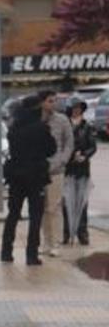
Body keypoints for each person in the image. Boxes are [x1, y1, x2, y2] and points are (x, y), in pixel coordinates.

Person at [1, 94, 58, 265]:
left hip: (16, 176)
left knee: (13, 214)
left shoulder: (14, 128)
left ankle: (6, 251)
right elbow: (51, 149)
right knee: (35, 216)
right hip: (35, 176)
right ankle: (31, 254)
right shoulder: (40, 128)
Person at [39, 90, 74, 256]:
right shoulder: (37, 120)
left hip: (56, 170)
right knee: (42, 209)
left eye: (55, 101)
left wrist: (63, 160)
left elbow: (69, 143)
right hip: (38, 171)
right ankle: (46, 242)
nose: (53, 104)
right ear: (42, 102)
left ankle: (56, 244)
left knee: (54, 207)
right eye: (50, 101)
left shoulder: (62, 120)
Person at [62, 98, 97, 246]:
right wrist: (71, 156)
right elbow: (61, 145)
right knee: (66, 202)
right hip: (68, 168)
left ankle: (82, 232)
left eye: (79, 108)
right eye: (74, 108)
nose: (77, 110)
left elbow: (92, 146)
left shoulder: (87, 126)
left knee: (82, 202)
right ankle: (66, 233)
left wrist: (85, 155)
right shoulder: (65, 125)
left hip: (83, 168)